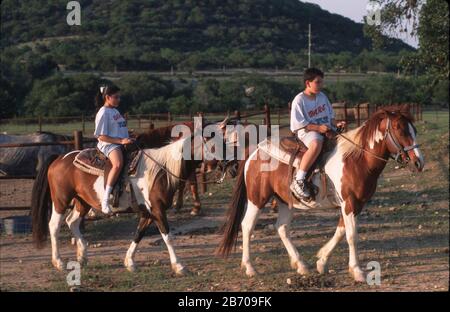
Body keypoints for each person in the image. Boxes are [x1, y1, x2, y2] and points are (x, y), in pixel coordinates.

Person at [289, 68, 346, 201]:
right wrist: (318, 128)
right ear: (308, 83)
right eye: (318, 82)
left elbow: (330, 116)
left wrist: (336, 124)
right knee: (316, 143)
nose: (321, 85)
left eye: (321, 82)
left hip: (326, 129)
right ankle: (299, 179)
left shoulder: (322, 96)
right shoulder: (299, 100)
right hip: (307, 132)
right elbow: (299, 124)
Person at [94, 84, 135, 214]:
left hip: (120, 142)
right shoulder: (103, 113)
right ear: (107, 97)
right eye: (116, 97)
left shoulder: (115, 111)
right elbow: (101, 136)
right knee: (117, 164)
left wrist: (128, 135)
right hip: (109, 144)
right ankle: (105, 200)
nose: (119, 100)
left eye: (119, 97)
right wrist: (121, 141)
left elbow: (118, 128)